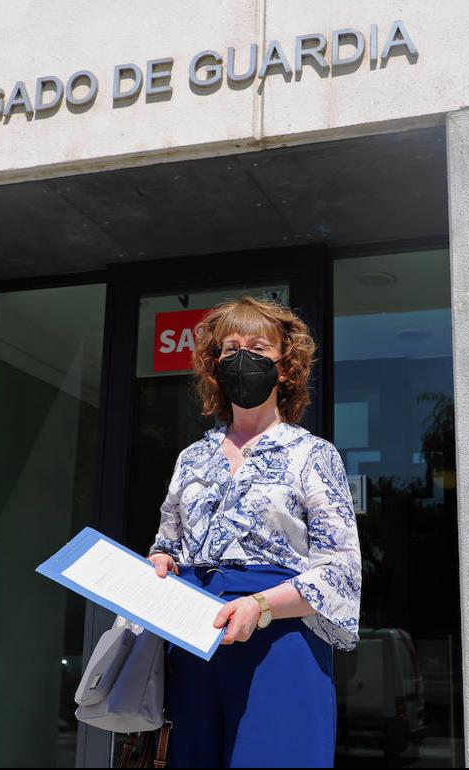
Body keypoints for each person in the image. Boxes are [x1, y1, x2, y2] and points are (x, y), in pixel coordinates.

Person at [146, 295, 362, 768]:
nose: (242, 358)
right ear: (214, 365)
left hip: (280, 644)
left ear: (285, 367)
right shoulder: (191, 458)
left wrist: (261, 605)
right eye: (230, 349)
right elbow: (167, 544)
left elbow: (341, 572)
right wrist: (160, 563)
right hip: (195, 646)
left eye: (258, 348)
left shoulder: (313, 455)